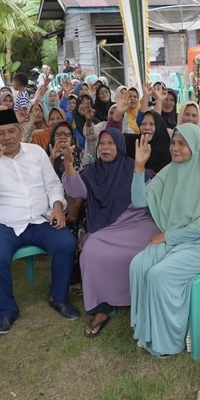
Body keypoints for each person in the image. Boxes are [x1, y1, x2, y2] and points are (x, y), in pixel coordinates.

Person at [0, 109, 78, 335]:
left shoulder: (36, 152)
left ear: (20, 131)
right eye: (1, 133)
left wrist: (57, 207)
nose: (7, 137)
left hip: (40, 220)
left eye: (11, 131)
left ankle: (59, 297)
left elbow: (52, 184)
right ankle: (7, 311)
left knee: (66, 243)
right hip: (2, 224)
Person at [128, 124, 200, 356]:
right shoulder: (170, 171)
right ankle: (147, 331)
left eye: (183, 143)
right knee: (138, 265)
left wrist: (167, 236)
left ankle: (168, 343)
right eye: (174, 142)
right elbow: (139, 201)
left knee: (159, 274)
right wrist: (139, 167)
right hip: (177, 239)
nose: (175, 148)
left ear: (195, 146)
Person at [60, 127, 160, 338]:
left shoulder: (134, 167)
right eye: (102, 144)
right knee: (90, 251)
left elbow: (152, 196)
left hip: (139, 223)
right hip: (108, 229)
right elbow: (76, 191)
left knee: (155, 244)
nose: (105, 148)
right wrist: (69, 165)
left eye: (111, 143)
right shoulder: (93, 172)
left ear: (120, 146)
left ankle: (146, 299)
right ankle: (101, 309)